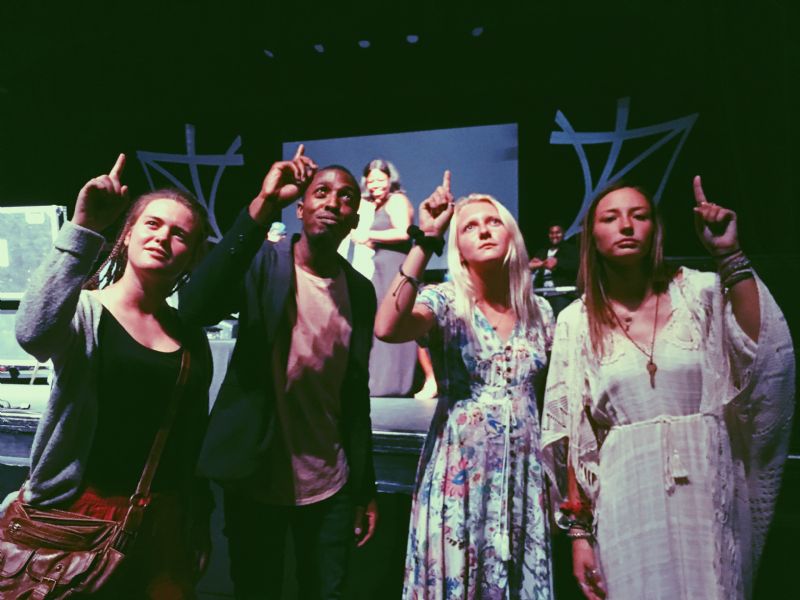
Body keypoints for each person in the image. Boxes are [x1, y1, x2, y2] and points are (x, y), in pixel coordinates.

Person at [541, 178, 794, 600]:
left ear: (655, 229)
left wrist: (729, 255)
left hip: (706, 481)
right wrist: (579, 536)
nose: (626, 226)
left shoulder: (698, 291)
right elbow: (575, 435)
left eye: (639, 216)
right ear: (592, 237)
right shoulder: (575, 320)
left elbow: (764, 348)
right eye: (611, 218)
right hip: (627, 490)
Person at [10, 154, 215, 598]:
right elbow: (32, 334)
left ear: (192, 256)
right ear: (128, 232)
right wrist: (83, 228)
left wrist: (196, 517)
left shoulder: (190, 338)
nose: (163, 237)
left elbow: (190, 437)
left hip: (162, 521)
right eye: (152, 224)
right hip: (77, 513)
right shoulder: (86, 311)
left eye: (180, 234)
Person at [179, 145, 379, 600]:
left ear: (354, 220)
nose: (333, 202)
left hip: (330, 483)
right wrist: (265, 203)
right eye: (321, 192)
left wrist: (363, 488)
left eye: (346, 197)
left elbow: (355, 394)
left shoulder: (360, 291)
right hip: (256, 477)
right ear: (300, 207)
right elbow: (194, 307)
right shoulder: (264, 262)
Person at [375, 172, 555, 599]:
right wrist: (425, 240)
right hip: (460, 476)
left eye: (493, 222)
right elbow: (388, 327)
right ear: (457, 245)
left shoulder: (541, 312)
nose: (484, 231)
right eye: (470, 226)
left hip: (522, 477)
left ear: (511, 234)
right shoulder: (445, 302)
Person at [351, 158, 420, 397]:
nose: (375, 185)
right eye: (371, 181)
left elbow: (403, 233)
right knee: (379, 322)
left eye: (380, 180)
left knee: (394, 318)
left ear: (391, 179)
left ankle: (397, 383)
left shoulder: (397, 200)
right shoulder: (374, 205)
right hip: (378, 268)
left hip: (395, 267)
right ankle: (381, 381)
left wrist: (369, 234)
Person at [529, 223, 579, 317]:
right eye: (551, 233)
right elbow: (532, 265)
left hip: (562, 295)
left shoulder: (571, 249)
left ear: (563, 234)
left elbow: (576, 265)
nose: (554, 235)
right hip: (542, 296)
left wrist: (558, 263)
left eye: (558, 232)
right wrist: (534, 265)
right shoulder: (542, 251)